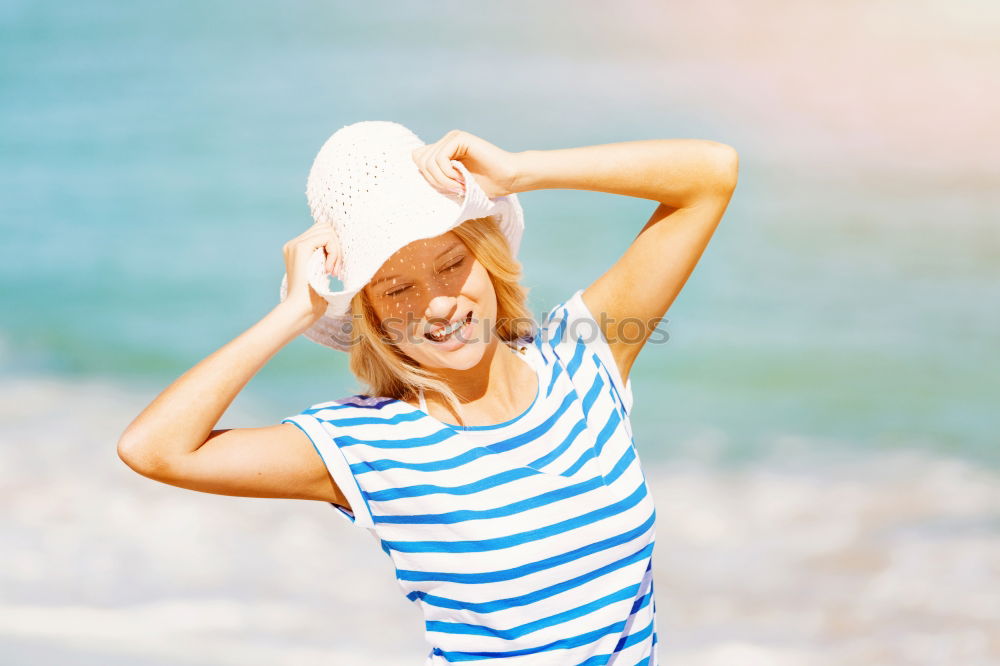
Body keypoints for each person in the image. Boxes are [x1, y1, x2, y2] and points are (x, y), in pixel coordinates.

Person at [118, 120, 739, 664]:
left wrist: (521, 171)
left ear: (488, 260)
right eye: (395, 290)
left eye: (450, 264)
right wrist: (292, 314)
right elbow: (155, 449)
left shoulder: (582, 358)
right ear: (374, 319)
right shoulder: (367, 444)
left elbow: (712, 173)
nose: (438, 302)